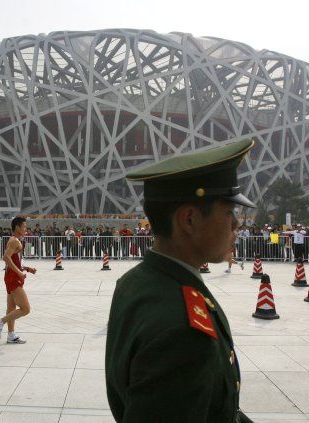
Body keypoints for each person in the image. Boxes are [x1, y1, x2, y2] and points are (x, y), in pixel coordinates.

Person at [106, 138, 255, 422]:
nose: (237, 225)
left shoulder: (135, 281)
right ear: (189, 220)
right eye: (229, 212)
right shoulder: (182, 331)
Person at [0, 217, 36, 344]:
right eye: (24, 227)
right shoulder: (14, 241)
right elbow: (6, 258)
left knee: (11, 308)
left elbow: (14, 261)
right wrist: (19, 273)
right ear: (17, 227)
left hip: (10, 277)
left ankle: (11, 335)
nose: (25, 229)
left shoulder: (15, 241)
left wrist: (27, 269)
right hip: (13, 278)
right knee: (25, 309)